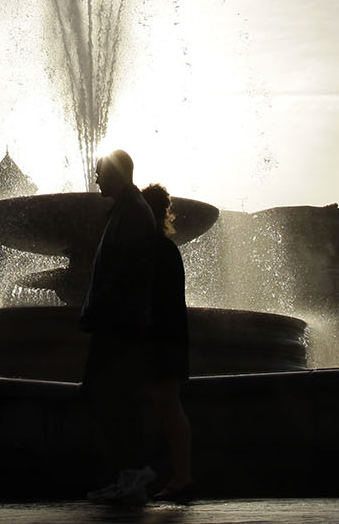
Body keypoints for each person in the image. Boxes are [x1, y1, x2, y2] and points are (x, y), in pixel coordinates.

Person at [80, 149, 158, 505]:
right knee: (107, 397)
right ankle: (126, 475)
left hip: (120, 324)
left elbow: (126, 270)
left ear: (116, 173)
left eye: (100, 172)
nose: (95, 178)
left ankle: (133, 472)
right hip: (116, 320)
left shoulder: (134, 212)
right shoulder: (126, 210)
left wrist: (99, 304)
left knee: (113, 399)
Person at [142, 183, 195, 501]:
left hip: (160, 338)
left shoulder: (155, 249)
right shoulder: (166, 248)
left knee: (167, 405)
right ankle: (179, 476)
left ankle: (181, 476)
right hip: (170, 336)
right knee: (167, 405)